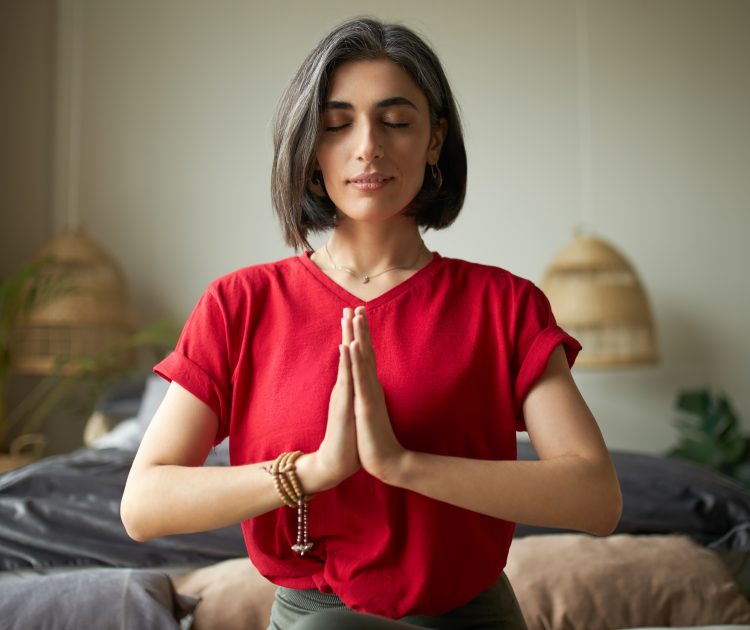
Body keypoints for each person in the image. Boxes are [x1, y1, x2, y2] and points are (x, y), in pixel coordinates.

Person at [121, 16, 622, 630]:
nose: (368, 147)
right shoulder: (240, 304)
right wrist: (316, 470)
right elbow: (143, 505)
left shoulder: (504, 304)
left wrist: (400, 463)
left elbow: (596, 499)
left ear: (435, 140)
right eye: (337, 125)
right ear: (311, 150)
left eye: (396, 121)